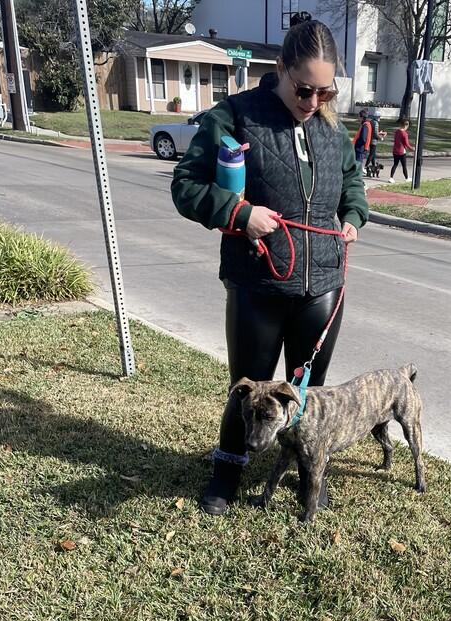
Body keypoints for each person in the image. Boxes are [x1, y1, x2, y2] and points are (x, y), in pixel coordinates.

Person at [171, 18, 368, 516]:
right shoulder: (235, 117)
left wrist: (352, 216)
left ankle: (308, 476)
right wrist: (240, 213)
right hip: (257, 284)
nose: (314, 102)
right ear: (280, 68)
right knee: (248, 387)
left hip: (322, 285)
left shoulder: (331, 128)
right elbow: (186, 186)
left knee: (305, 398)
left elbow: (352, 183)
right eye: (305, 89)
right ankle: (227, 472)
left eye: (326, 92)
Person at [365, 108, 386, 174]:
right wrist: (381, 137)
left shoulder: (371, 122)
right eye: (379, 117)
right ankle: (366, 166)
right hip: (374, 140)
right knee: (371, 154)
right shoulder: (376, 123)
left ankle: (373, 166)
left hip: (370, 139)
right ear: (377, 117)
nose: (380, 118)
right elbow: (375, 134)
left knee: (373, 154)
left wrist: (380, 133)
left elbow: (374, 132)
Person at [352, 107, 373, 172]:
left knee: (358, 166)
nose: (358, 118)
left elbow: (363, 138)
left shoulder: (365, 125)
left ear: (362, 117)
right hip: (362, 148)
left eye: (359, 117)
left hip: (360, 148)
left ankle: (358, 179)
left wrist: (357, 144)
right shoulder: (366, 124)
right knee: (358, 165)